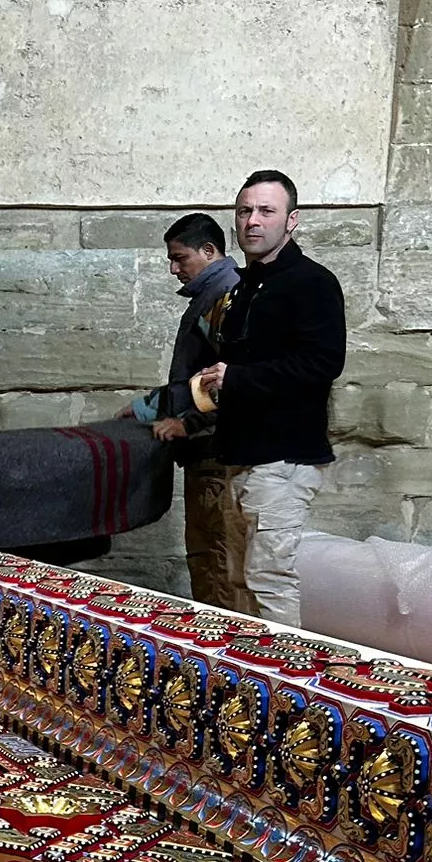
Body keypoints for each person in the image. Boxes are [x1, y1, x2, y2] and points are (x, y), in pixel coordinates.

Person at [188, 170, 345, 627]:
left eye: (266, 211)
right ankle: (249, 692)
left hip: (284, 458)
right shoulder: (243, 288)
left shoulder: (312, 282)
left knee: (269, 579)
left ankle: (289, 693)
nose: (252, 221)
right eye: (244, 211)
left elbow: (322, 363)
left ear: (291, 220)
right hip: (242, 455)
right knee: (239, 581)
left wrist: (236, 378)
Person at [124, 213, 243, 611]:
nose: (174, 269)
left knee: (221, 563)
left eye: (180, 258)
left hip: (218, 454)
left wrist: (187, 423)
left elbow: (233, 385)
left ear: (209, 251)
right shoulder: (209, 298)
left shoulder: (227, 298)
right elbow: (193, 381)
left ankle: (228, 660)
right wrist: (145, 409)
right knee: (207, 560)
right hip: (204, 453)